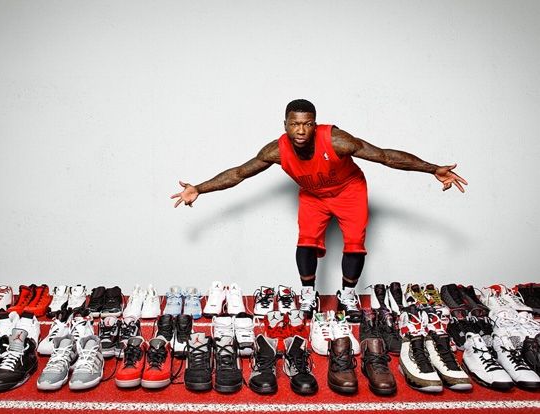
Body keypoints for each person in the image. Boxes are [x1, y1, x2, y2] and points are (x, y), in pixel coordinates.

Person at [171, 99, 467, 321]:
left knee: (354, 243)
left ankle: (347, 296)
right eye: (294, 124)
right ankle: (308, 296)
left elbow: (385, 156)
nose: (301, 130)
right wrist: (199, 188)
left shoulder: (337, 140)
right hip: (314, 195)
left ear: (314, 124)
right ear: (285, 125)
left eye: (307, 124)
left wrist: (432, 169)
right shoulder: (275, 151)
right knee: (306, 241)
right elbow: (239, 173)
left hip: (349, 190)